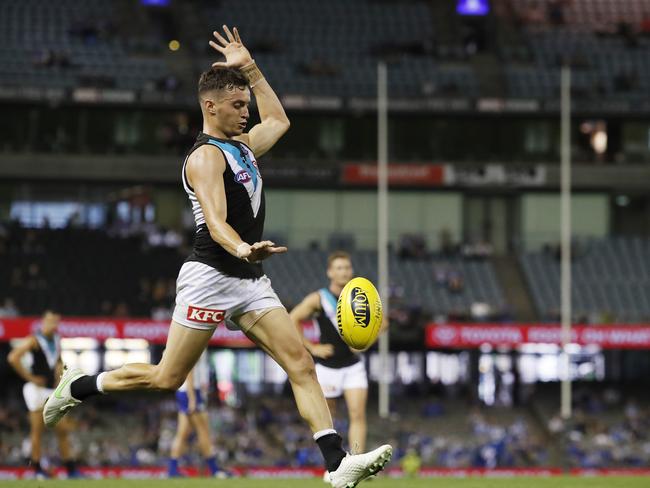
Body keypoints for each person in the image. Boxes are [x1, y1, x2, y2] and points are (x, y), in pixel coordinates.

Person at [43, 25, 391, 488]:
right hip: (210, 274)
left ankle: (336, 465)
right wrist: (244, 247)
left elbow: (281, 121)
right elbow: (215, 221)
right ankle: (81, 386)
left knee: (301, 364)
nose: (247, 112)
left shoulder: (243, 147)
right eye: (238, 105)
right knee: (167, 378)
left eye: (246, 104)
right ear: (210, 106)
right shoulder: (206, 158)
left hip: (249, 279)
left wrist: (249, 68)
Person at [8, 311, 80, 479]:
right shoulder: (34, 340)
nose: (53, 325)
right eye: (50, 321)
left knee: (62, 430)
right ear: (43, 322)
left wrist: (60, 374)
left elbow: (58, 360)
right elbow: (13, 358)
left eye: (56, 322)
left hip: (50, 390)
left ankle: (70, 469)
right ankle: (38, 470)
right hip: (36, 390)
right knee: (37, 431)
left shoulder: (56, 340)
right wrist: (30, 377)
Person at [168, 351, 229, 478]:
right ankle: (214, 470)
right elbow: (189, 370)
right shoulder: (198, 340)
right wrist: (193, 399)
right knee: (204, 431)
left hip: (185, 392)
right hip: (191, 392)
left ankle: (172, 470)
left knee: (182, 433)